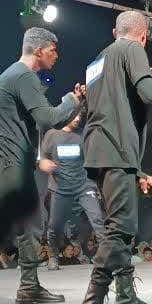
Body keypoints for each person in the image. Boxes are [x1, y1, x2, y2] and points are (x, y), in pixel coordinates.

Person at [0, 28, 79, 304]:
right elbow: (48, 117)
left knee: (31, 223)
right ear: (38, 51)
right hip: (4, 159)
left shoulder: (15, 76)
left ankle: (29, 286)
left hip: (15, 160)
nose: (56, 55)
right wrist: (71, 100)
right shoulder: (22, 75)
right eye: (52, 50)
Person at [78, 10, 152, 304]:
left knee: (121, 225)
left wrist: (136, 168)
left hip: (101, 149)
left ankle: (126, 297)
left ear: (115, 31)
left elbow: (109, 107)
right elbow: (151, 94)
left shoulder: (97, 62)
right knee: (120, 229)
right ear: (142, 35)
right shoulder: (132, 49)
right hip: (116, 150)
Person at [39, 110, 105, 271]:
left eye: (79, 116)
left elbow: (92, 162)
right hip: (60, 188)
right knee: (55, 226)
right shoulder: (51, 135)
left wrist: (96, 185)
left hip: (83, 186)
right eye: (74, 116)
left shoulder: (82, 135)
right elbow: (42, 160)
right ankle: (53, 257)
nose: (77, 119)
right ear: (65, 115)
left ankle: (107, 256)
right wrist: (45, 165)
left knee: (97, 219)